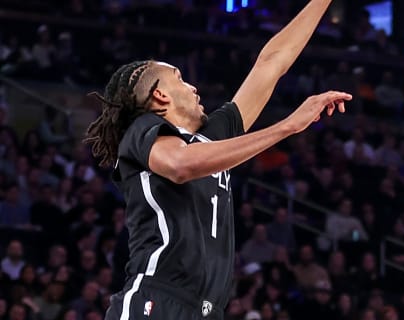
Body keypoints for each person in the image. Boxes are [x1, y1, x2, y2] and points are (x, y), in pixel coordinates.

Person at [84, 1, 351, 319]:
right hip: (156, 300)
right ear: (160, 95)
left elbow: (271, 63)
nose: (193, 86)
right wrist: (286, 127)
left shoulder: (213, 136)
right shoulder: (141, 131)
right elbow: (180, 165)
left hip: (207, 310)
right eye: (180, 78)